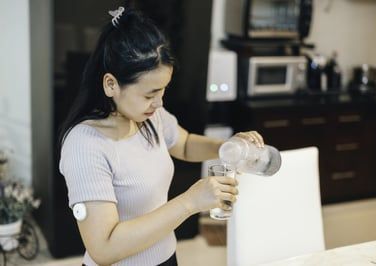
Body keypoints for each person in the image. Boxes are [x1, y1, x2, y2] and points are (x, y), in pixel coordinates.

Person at [59, 7, 265, 266]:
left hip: (166, 258)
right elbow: (103, 248)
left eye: (163, 90)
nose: (159, 103)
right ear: (111, 84)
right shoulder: (85, 145)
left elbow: (186, 145)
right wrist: (190, 202)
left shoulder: (148, 117)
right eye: (149, 94)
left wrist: (230, 147)